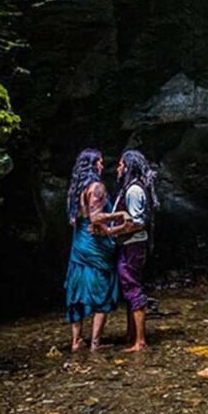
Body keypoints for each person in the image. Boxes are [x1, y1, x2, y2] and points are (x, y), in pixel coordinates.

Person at [63, 149, 137, 352]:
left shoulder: (76, 189)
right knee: (102, 289)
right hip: (95, 248)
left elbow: (75, 219)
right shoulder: (96, 187)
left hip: (79, 244)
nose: (102, 166)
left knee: (77, 289)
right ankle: (95, 342)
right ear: (92, 165)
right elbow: (95, 218)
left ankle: (76, 341)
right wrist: (121, 214)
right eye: (100, 162)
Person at [112, 149, 157, 352]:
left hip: (133, 244)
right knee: (130, 285)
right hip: (131, 244)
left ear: (128, 167)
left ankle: (140, 340)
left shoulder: (133, 191)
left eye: (121, 164)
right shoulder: (132, 188)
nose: (118, 168)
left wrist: (111, 231)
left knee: (131, 286)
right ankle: (132, 334)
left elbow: (138, 222)